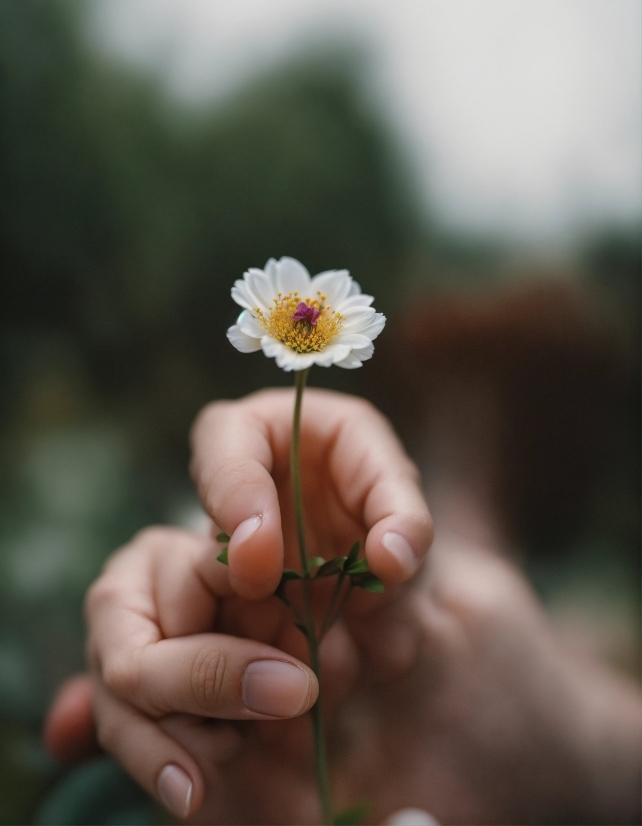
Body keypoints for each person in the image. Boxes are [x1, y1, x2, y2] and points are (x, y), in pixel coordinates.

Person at [45, 389, 641, 825]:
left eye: (512, 466)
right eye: (435, 463)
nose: (458, 512)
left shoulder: (600, 630)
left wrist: (594, 742)